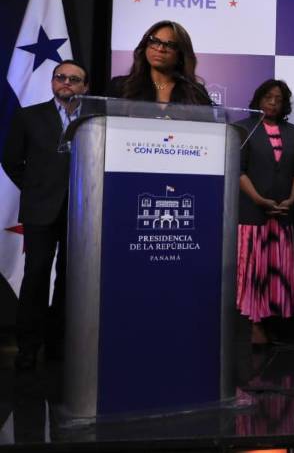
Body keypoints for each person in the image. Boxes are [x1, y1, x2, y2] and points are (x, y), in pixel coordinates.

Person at [2, 59, 88, 370]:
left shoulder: (93, 120)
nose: (66, 82)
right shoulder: (29, 116)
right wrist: (35, 187)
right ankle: (28, 348)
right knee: (36, 277)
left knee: (70, 280)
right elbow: (11, 160)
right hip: (40, 211)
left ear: (85, 87)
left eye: (74, 79)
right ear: (52, 82)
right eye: (60, 77)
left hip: (82, 212)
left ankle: (57, 345)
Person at [234, 79, 294, 347]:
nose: (273, 103)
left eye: (278, 99)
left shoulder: (293, 132)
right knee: (254, 273)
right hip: (252, 214)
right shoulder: (243, 128)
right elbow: (238, 170)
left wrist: (292, 200)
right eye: (268, 97)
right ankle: (253, 325)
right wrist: (259, 199)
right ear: (258, 99)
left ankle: (273, 325)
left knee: (277, 274)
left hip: (282, 216)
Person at [107, 20, 212, 104]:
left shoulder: (196, 93)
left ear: (181, 54)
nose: (160, 49)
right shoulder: (120, 86)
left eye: (170, 45)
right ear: (145, 46)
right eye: (154, 41)